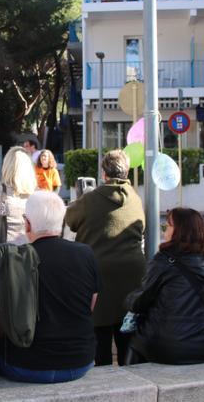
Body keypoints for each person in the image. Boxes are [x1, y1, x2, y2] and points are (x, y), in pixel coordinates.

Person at [0, 191, 100, 383]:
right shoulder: (85, 254)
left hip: (23, 365)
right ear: (62, 222)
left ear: (27, 223)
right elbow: (90, 305)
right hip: (80, 361)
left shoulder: (11, 261)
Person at [65, 149, 146, 366]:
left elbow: (69, 220)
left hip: (97, 273)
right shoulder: (136, 199)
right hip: (133, 273)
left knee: (99, 336)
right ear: (127, 171)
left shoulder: (89, 200)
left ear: (103, 173)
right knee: (127, 333)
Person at [124, 208, 204, 364]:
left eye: (168, 225)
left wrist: (128, 300)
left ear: (180, 230)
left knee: (133, 341)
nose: (165, 230)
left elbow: (141, 301)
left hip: (168, 346)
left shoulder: (163, 260)